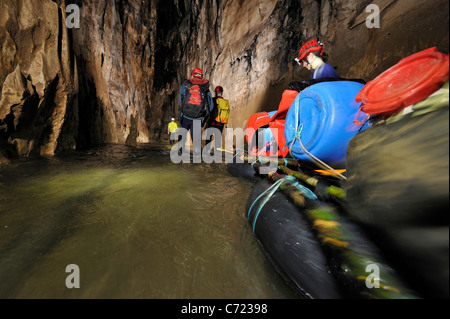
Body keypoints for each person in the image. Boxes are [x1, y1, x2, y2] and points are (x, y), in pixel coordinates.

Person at [178, 68, 214, 157]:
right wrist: (204, 115)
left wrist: (182, 112)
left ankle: (179, 153)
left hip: (185, 116)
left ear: (192, 75)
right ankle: (197, 156)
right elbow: (211, 104)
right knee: (196, 140)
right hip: (197, 118)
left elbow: (181, 100)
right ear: (201, 76)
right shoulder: (204, 87)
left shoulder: (186, 85)